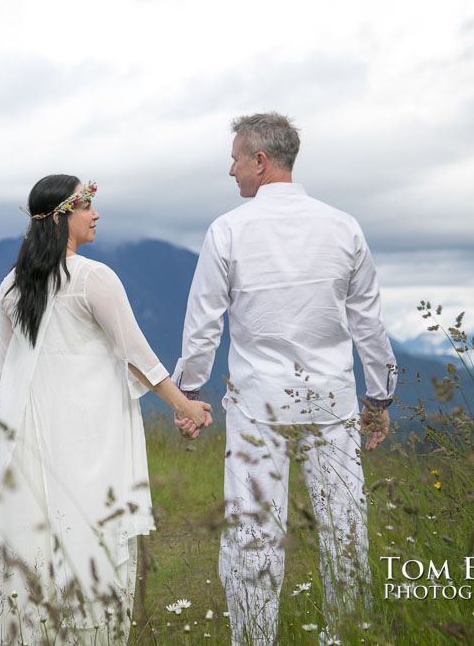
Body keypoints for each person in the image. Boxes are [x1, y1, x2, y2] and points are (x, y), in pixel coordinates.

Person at [0, 174, 211, 645]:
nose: (96, 215)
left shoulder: (12, 285)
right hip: (90, 435)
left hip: (32, 436)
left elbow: (4, 376)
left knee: (34, 539)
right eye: (87, 206)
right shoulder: (94, 278)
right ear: (61, 218)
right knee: (89, 533)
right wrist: (185, 406)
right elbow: (137, 354)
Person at [172, 113, 396, 644]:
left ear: (260, 161)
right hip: (332, 401)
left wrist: (189, 394)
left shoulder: (228, 229)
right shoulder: (344, 226)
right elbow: (368, 321)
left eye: (235, 159)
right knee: (344, 530)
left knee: (254, 533)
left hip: (259, 405)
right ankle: (346, 636)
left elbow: (204, 322)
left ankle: (254, 639)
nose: (230, 171)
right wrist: (380, 396)